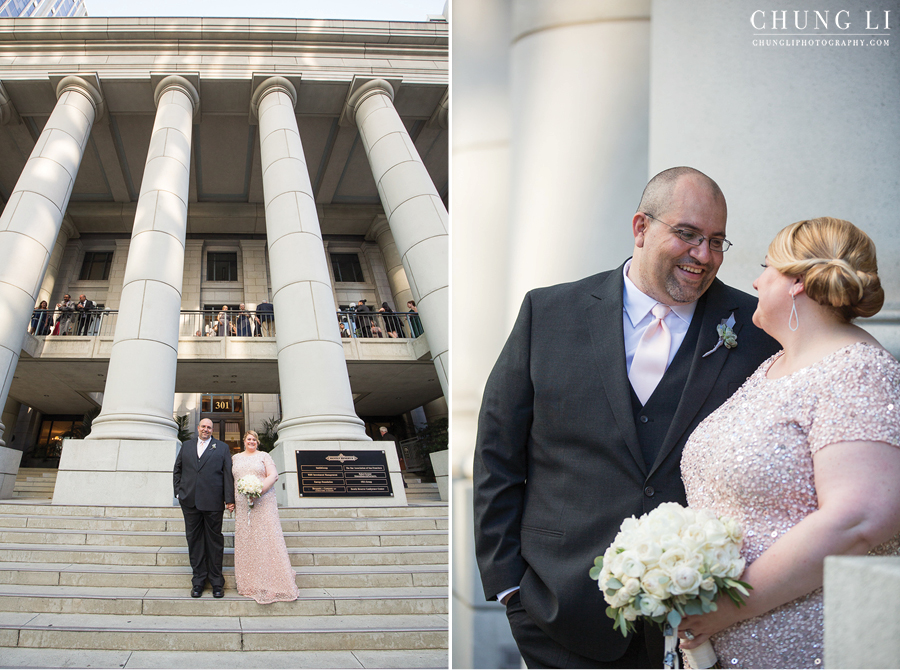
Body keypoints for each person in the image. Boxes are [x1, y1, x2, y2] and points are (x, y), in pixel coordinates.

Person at [473, 167, 780, 669]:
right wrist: (509, 587)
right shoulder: (548, 313)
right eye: (687, 234)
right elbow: (497, 455)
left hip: (709, 622)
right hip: (558, 611)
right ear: (641, 228)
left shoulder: (753, 328)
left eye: (717, 241)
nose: (703, 256)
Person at [677, 217, 900, 669]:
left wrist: (727, 609)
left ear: (797, 281)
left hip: (807, 646)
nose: (757, 281)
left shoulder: (856, 370)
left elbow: (859, 517)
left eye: (766, 267)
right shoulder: (771, 367)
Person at [232, 430, 300, 604]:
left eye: (254, 439)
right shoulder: (236, 458)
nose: (252, 441)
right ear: (244, 441)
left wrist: (257, 490)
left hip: (263, 501)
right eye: (249, 439)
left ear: (258, 442)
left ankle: (272, 581)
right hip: (242, 503)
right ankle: (249, 582)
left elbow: (273, 475)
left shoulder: (264, 456)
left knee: (265, 538)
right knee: (247, 539)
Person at [173, 418, 235, 598]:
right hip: (189, 501)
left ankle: (216, 582)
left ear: (212, 430)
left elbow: (227, 475)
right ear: (198, 428)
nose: (206, 429)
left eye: (209, 427)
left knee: (214, 542)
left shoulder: (222, 447)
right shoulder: (186, 445)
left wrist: (228, 499)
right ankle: (198, 581)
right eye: (203, 426)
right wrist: (178, 492)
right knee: (194, 540)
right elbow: (178, 470)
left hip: (213, 502)